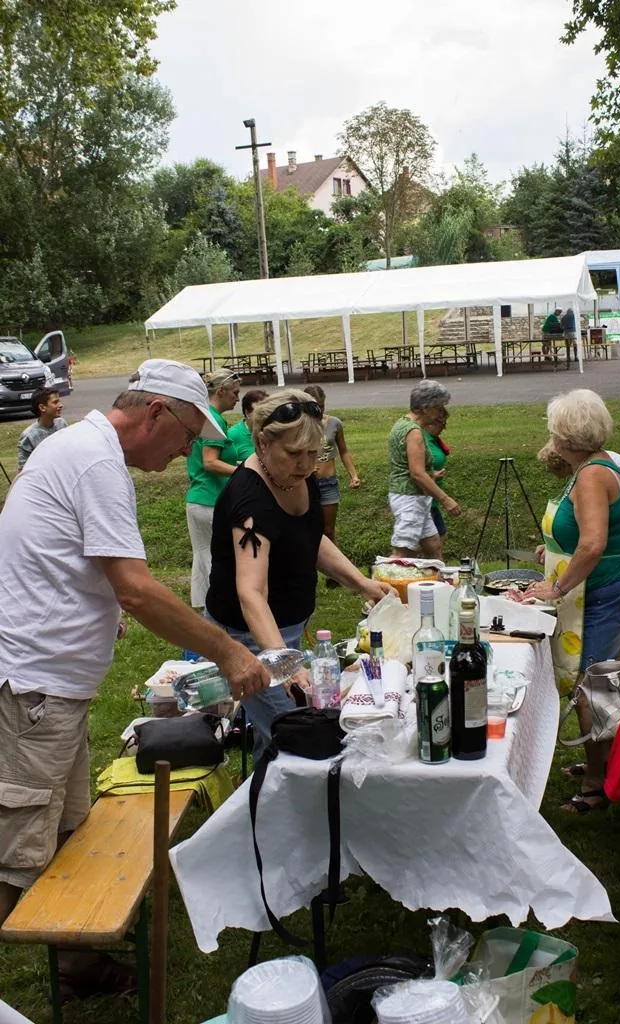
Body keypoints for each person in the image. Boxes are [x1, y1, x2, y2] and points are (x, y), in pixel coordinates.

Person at [0, 359, 270, 993]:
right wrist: (229, 654)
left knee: (63, 829)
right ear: (155, 413)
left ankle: (76, 964)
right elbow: (140, 591)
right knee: (14, 852)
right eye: (184, 436)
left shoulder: (79, 448)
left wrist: (85, 601)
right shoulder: (95, 461)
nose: (184, 453)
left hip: (53, 683)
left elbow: (49, 549)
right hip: (37, 685)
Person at [205, 388, 392, 760]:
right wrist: (284, 664)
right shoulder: (251, 500)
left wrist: (362, 583)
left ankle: (264, 795)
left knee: (277, 734)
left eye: (313, 453)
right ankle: (279, 809)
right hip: (248, 637)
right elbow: (251, 594)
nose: (306, 464)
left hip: (284, 631)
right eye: (294, 454)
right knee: (297, 732)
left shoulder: (293, 475)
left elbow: (311, 538)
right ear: (261, 441)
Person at [526, 389, 620, 814]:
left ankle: (599, 787)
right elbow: (587, 534)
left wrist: (556, 589)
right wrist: (556, 547)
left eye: (553, 428)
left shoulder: (593, 475)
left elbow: (594, 545)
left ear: (564, 435)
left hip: (607, 592)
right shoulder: (595, 464)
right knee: (610, 684)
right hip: (612, 585)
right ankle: (610, 761)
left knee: (590, 691)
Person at [537, 441, 620, 550]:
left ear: (565, 463)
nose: (558, 477)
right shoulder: (587, 463)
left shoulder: (594, 470)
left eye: (557, 471)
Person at [185, 369, 241, 610]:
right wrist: (242, 472)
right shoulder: (214, 419)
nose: (238, 398)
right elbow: (210, 462)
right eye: (235, 393)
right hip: (210, 499)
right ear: (221, 391)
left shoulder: (204, 415)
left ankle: (205, 605)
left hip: (198, 497)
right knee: (215, 556)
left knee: (203, 555)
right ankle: (218, 607)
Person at [387, 380, 461, 557]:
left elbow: (406, 466)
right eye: (438, 407)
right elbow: (417, 474)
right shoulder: (414, 432)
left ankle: (438, 581)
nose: (439, 414)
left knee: (434, 545)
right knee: (401, 552)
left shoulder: (401, 423)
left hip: (412, 497)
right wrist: (445, 499)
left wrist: (431, 474)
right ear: (426, 407)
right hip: (410, 499)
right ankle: (378, 583)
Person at [303, 385, 361, 583]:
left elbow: (343, 450)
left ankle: (335, 574)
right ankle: (306, 569)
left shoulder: (334, 423)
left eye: (321, 405)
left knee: (328, 530)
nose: (318, 410)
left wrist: (353, 474)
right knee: (307, 528)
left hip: (328, 482)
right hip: (306, 484)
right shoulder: (299, 425)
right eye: (314, 406)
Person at [17, 388, 68, 470]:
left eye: (59, 401)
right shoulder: (29, 436)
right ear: (42, 407)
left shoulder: (62, 424)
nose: (60, 405)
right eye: (55, 402)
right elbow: (23, 470)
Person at [424, 406, 450, 555]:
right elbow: (413, 470)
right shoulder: (421, 439)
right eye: (443, 424)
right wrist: (431, 475)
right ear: (432, 423)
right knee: (412, 548)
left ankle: (434, 570)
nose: (444, 428)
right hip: (422, 500)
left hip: (432, 500)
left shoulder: (433, 440)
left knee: (440, 536)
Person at [227, 388, 269, 463]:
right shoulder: (232, 435)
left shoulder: (274, 430)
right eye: (260, 412)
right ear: (247, 413)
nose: (266, 416)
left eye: (268, 411)